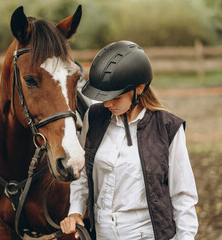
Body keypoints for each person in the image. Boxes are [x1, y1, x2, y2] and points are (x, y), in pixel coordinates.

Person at [60, 40, 198, 240]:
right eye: (103, 96)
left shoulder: (167, 127)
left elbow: (183, 195)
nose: (107, 103)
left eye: (115, 97)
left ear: (139, 89)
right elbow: (82, 176)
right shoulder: (94, 117)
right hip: (101, 233)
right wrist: (75, 211)